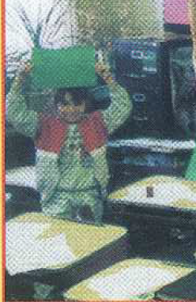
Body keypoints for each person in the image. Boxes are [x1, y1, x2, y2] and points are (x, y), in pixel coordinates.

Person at [6, 61, 131, 223]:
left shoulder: (98, 121)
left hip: (89, 196)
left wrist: (107, 77)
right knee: (58, 241)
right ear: (56, 105)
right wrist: (19, 79)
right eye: (64, 104)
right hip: (56, 197)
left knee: (90, 241)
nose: (71, 109)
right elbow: (13, 111)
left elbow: (123, 106)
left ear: (85, 104)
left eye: (77, 104)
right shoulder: (43, 124)